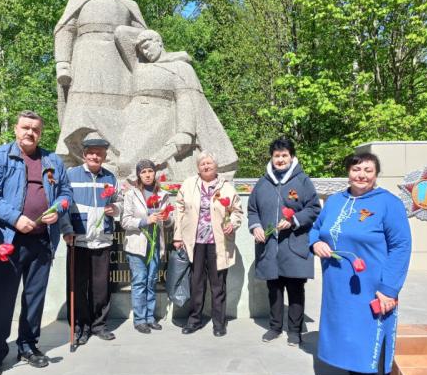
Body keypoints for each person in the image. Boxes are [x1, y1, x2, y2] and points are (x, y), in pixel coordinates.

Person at [0, 111, 73, 375]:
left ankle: (28, 346)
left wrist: (58, 208)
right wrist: (16, 218)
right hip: (9, 242)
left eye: (36, 129)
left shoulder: (52, 160)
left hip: (42, 241)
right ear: (16, 129)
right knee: (2, 301)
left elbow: (65, 193)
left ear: (41, 133)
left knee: (34, 299)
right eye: (25, 128)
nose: (30, 133)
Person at [310, 153, 412, 375]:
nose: (361, 175)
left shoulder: (388, 203)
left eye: (368, 170)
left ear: (376, 175)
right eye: (356, 169)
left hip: (371, 289)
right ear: (348, 172)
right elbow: (316, 228)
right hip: (338, 291)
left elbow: (401, 246)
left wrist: (389, 289)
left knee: (369, 350)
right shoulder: (335, 201)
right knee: (348, 344)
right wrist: (315, 242)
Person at [54, 0, 147, 169]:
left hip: (119, 62)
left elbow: (143, 36)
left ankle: (118, 157)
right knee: (81, 106)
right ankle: (75, 156)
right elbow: (65, 29)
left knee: (121, 110)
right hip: (85, 56)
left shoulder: (129, 4)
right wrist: (62, 63)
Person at [113, 27, 238, 180]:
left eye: (147, 47)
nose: (145, 52)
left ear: (158, 42)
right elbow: (121, 33)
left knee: (128, 165)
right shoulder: (139, 64)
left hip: (159, 119)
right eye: (141, 49)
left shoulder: (181, 67)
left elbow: (186, 99)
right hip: (132, 116)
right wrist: (171, 55)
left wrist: (185, 131)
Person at [247, 138, 321, 346]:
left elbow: (314, 208)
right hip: (270, 246)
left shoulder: (303, 181)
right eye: (277, 156)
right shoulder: (262, 183)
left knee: (296, 289)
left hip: (294, 245)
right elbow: (253, 210)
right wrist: (256, 226)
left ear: (291, 157)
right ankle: (274, 327)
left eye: (284, 155)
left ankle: (295, 331)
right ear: (271, 158)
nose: (280, 160)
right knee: (274, 289)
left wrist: (293, 221)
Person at [173, 151, 243, 337]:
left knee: (218, 284)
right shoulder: (189, 184)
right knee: (196, 283)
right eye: (202, 163)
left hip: (217, 242)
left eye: (209, 163)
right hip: (194, 242)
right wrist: (177, 236)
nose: (206, 166)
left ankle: (219, 323)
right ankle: (194, 320)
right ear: (198, 167)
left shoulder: (226, 187)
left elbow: (237, 211)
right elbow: (179, 211)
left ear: (216, 166)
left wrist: (233, 223)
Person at [60, 137, 123, 344]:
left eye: (99, 153)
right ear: (84, 154)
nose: (95, 156)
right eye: (91, 153)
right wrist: (66, 229)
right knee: (78, 286)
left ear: (104, 156)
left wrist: (116, 209)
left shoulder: (111, 178)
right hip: (78, 240)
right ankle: (80, 326)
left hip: (102, 240)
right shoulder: (71, 175)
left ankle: (99, 325)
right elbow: (63, 204)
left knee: (100, 287)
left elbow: (120, 202)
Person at [120, 160, 173, 333]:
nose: (148, 174)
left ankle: (150, 317)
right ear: (138, 175)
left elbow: (170, 219)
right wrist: (145, 220)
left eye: (150, 171)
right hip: (137, 246)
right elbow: (125, 221)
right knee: (140, 281)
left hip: (156, 245)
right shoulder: (131, 195)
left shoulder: (162, 194)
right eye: (143, 172)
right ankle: (139, 319)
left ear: (155, 173)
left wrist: (166, 219)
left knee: (151, 281)